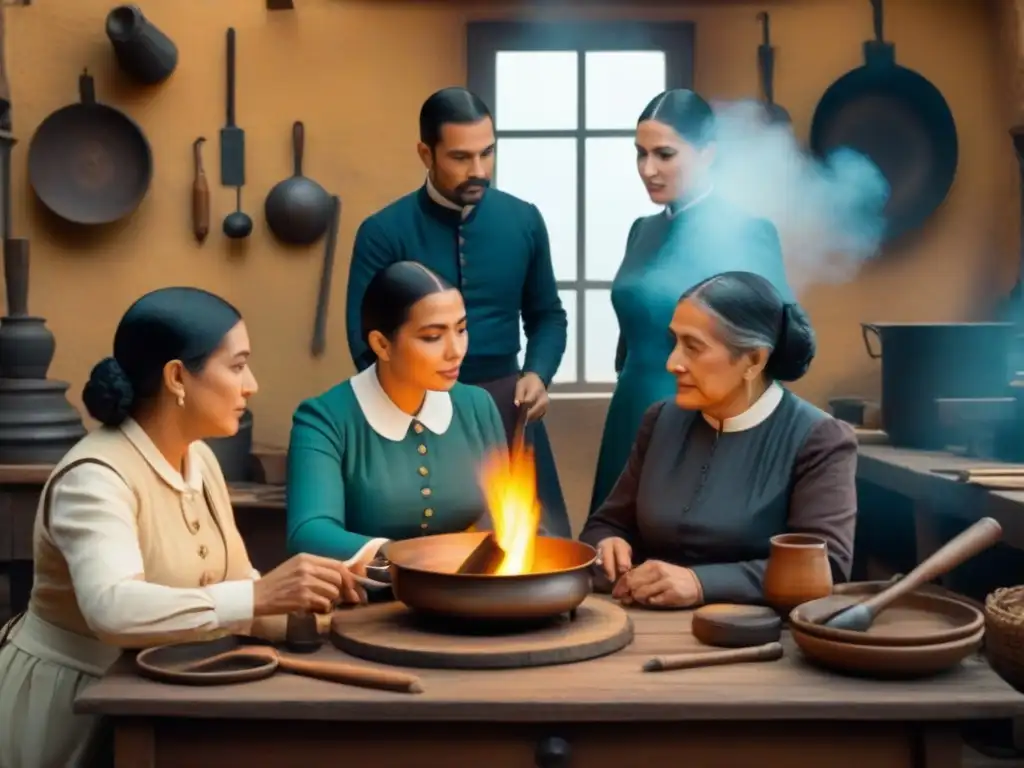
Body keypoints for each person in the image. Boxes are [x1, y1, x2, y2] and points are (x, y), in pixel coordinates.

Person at [0, 287, 363, 768]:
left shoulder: (201, 459)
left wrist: (326, 609)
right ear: (177, 377)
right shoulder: (95, 477)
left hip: (163, 695)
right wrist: (260, 596)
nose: (251, 384)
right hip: (76, 709)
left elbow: (240, 586)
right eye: (236, 366)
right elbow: (112, 608)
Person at [344, 87, 571, 538]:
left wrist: (538, 375)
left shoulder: (523, 220)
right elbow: (364, 341)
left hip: (510, 405)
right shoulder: (382, 231)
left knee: (542, 553)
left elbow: (548, 315)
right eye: (461, 157)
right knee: (426, 554)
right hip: (415, 412)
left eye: (488, 153)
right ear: (425, 153)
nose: (479, 171)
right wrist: (416, 403)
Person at [579, 272, 856, 608]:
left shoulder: (819, 438)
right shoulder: (660, 421)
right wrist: (608, 543)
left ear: (754, 360)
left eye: (693, 347)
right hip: (645, 624)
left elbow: (827, 566)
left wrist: (701, 583)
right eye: (674, 343)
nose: (672, 363)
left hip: (759, 636)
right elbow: (606, 523)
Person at [588, 89, 795, 516]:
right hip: (630, 407)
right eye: (640, 154)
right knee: (614, 553)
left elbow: (781, 349)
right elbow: (629, 339)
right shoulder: (640, 230)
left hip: (700, 418)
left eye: (665, 155)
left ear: (707, 153)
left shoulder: (746, 231)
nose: (649, 169)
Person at [288, 262, 509, 564]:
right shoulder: (325, 419)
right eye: (433, 337)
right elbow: (309, 532)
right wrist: (403, 556)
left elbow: (507, 517)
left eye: (461, 329)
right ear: (382, 344)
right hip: (366, 599)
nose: (455, 350)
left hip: (468, 593)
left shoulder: (477, 407)